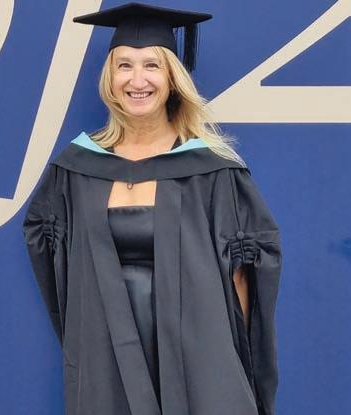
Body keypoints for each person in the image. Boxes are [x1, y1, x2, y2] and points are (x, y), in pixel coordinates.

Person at [22, 3, 282, 415]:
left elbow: (241, 279)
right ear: (110, 77)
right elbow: (58, 273)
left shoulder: (211, 170)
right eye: (124, 65)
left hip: (196, 358)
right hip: (106, 357)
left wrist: (234, 365)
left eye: (152, 66)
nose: (137, 80)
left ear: (172, 78)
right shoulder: (76, 170)